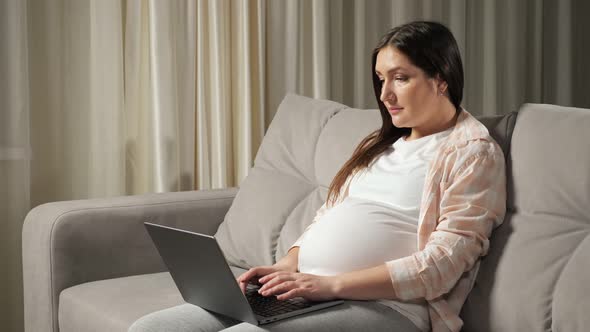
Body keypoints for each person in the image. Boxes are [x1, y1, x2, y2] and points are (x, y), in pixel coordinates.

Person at [236, 21, 507, 332]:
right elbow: (329, 215)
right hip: (307, 293)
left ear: (441, 79)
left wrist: (329, 285)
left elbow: (442, 265)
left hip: (385, 307)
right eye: (381, 80)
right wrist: (283, 267)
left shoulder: (472, 153)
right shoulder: (378, 145)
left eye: (401, 79)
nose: (385, 95)